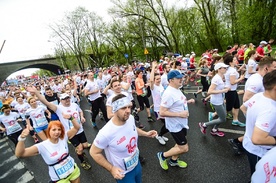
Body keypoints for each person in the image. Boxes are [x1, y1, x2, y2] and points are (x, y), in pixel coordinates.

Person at [90, 94, 157, 183]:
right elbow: (94, 152)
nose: (128, 111)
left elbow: (133, 128)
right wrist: (111, 169)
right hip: (124, 174)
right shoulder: (105, 133)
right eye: (123, 108)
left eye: (129, 107)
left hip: (136, 164)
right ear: (115, 110)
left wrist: (146, 134)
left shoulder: (130, 118)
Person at [27, 84, 92, 170]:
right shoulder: (58, 108)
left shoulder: (74, 105)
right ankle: (82, 161)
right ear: (60, 100)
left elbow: (80, 111)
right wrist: (36, 92)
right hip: (70, 133)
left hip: (80, 130)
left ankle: (80, 152)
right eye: (64, 99)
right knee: (80, 148)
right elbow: (44, 101)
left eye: (68, 98)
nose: (67, 100)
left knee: (85, 145)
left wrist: (82, 117)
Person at [228, 56, 276, 155]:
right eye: (274, 67)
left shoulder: (261, 79)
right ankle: (238, 142)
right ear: (266, 68)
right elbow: (246, 99)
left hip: (261, 118)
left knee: (252, 135)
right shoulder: (257, 81)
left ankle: (238, 142)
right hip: (259, 148)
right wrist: (254, 120)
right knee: (256, 135)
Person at [15, 116, 81, 183]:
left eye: (59, 129)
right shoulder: (42, 146)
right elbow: (20, 154)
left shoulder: (63, 138)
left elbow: (77, 128)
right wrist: (22, 138)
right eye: (54, 130)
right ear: (48, 131)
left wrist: (71, 118)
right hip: (60, 179)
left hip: (73, 170)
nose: (57, 132)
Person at [240, 69, 276, 176]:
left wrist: (254, 124)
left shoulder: (259, 95)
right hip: (259, 151)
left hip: (248, 144)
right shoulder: (270, 110)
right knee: (260, 176)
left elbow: (243, 107)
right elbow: (257, 139)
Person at [157, 70, 195, 170]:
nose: (181, 79)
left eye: (181, 77)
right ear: (171, 80)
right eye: (178, 78)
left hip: (182, 123)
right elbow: (162, 112)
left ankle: (173, 161)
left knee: (179, 145)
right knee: (184, 148)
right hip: (175, 125)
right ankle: (163, 155)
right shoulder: (168, 93)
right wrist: (179, 114)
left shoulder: (177, 89)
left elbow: (177, 102)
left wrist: (187, 101)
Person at [198, 63, 230, 137]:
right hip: (217, 101)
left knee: (223, 116)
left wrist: (225, 89)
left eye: (226, 68)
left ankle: (214, 130)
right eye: (224, 68)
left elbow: (219, 88)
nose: (226, 69)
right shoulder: (216, 78)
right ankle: (204, 124)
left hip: (221, 100)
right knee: (223, 119)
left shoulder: (220, 77)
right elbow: (210, 91)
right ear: (219, 69)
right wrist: (223, 91)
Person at [150, 61, 169, 145]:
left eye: (159, 79)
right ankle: (159, 135)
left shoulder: (161, 85)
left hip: (164, 107)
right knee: (168, 124)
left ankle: (161, 135)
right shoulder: (153, 87)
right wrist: (153, 67)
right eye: (157, 79)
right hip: (158, 109)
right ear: (154, 80)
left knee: (168, 124)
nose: (159, 80)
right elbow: (151, 80)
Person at [223, 55, 245, 127]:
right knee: (228, 108)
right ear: (230, 62)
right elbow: (232, 82)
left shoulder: (231, 69)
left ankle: (235, 120)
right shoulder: (231, 70)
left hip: (232, 90)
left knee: (236, 106)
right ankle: (214, 116)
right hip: (230, 90)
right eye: (234, 59)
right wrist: (241, 78)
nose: (236, 60)